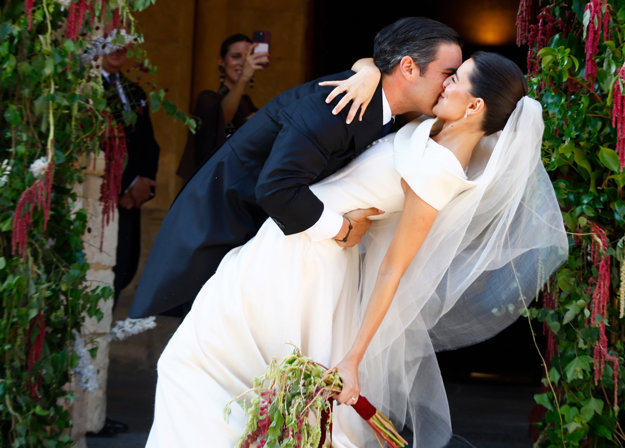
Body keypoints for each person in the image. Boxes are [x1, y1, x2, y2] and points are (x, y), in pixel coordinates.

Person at [114, 52, 568, 448]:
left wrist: (353, 358)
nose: (444, 83)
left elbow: (394, 271)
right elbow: (388, 66)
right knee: (215, 376)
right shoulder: (430, 129)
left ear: (474, 106)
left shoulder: (440, 172)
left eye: (455, 78)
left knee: (195, 367)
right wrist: (368, 71)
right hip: (288, 249)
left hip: (305, 269)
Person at [128, 17, 463, 318]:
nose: (450, 86)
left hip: (266, 241)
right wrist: (342, 229)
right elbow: (277, 189)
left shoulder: (381, 109)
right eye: (448, 75)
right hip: (219, 232)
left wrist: (368, 68)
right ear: (408, 68)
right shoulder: (334, 108)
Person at [100, 42, 160, 305]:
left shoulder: (134, 90)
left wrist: (142, 186)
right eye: (109, 39)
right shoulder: (87, 89)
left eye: (123, 41)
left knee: (124, 265)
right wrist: (125, 185)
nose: (117, 48)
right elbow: (99, 146)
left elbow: (150, 144)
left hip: (130, 200)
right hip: (104, 197)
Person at [176, 33, 268, 180]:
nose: (243, 63)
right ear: (221, 61)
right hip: (211, 183)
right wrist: (243, 77)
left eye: (247, 57)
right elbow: (222, 119)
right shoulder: (207, 99)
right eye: (236, 56)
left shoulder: (248, 104)